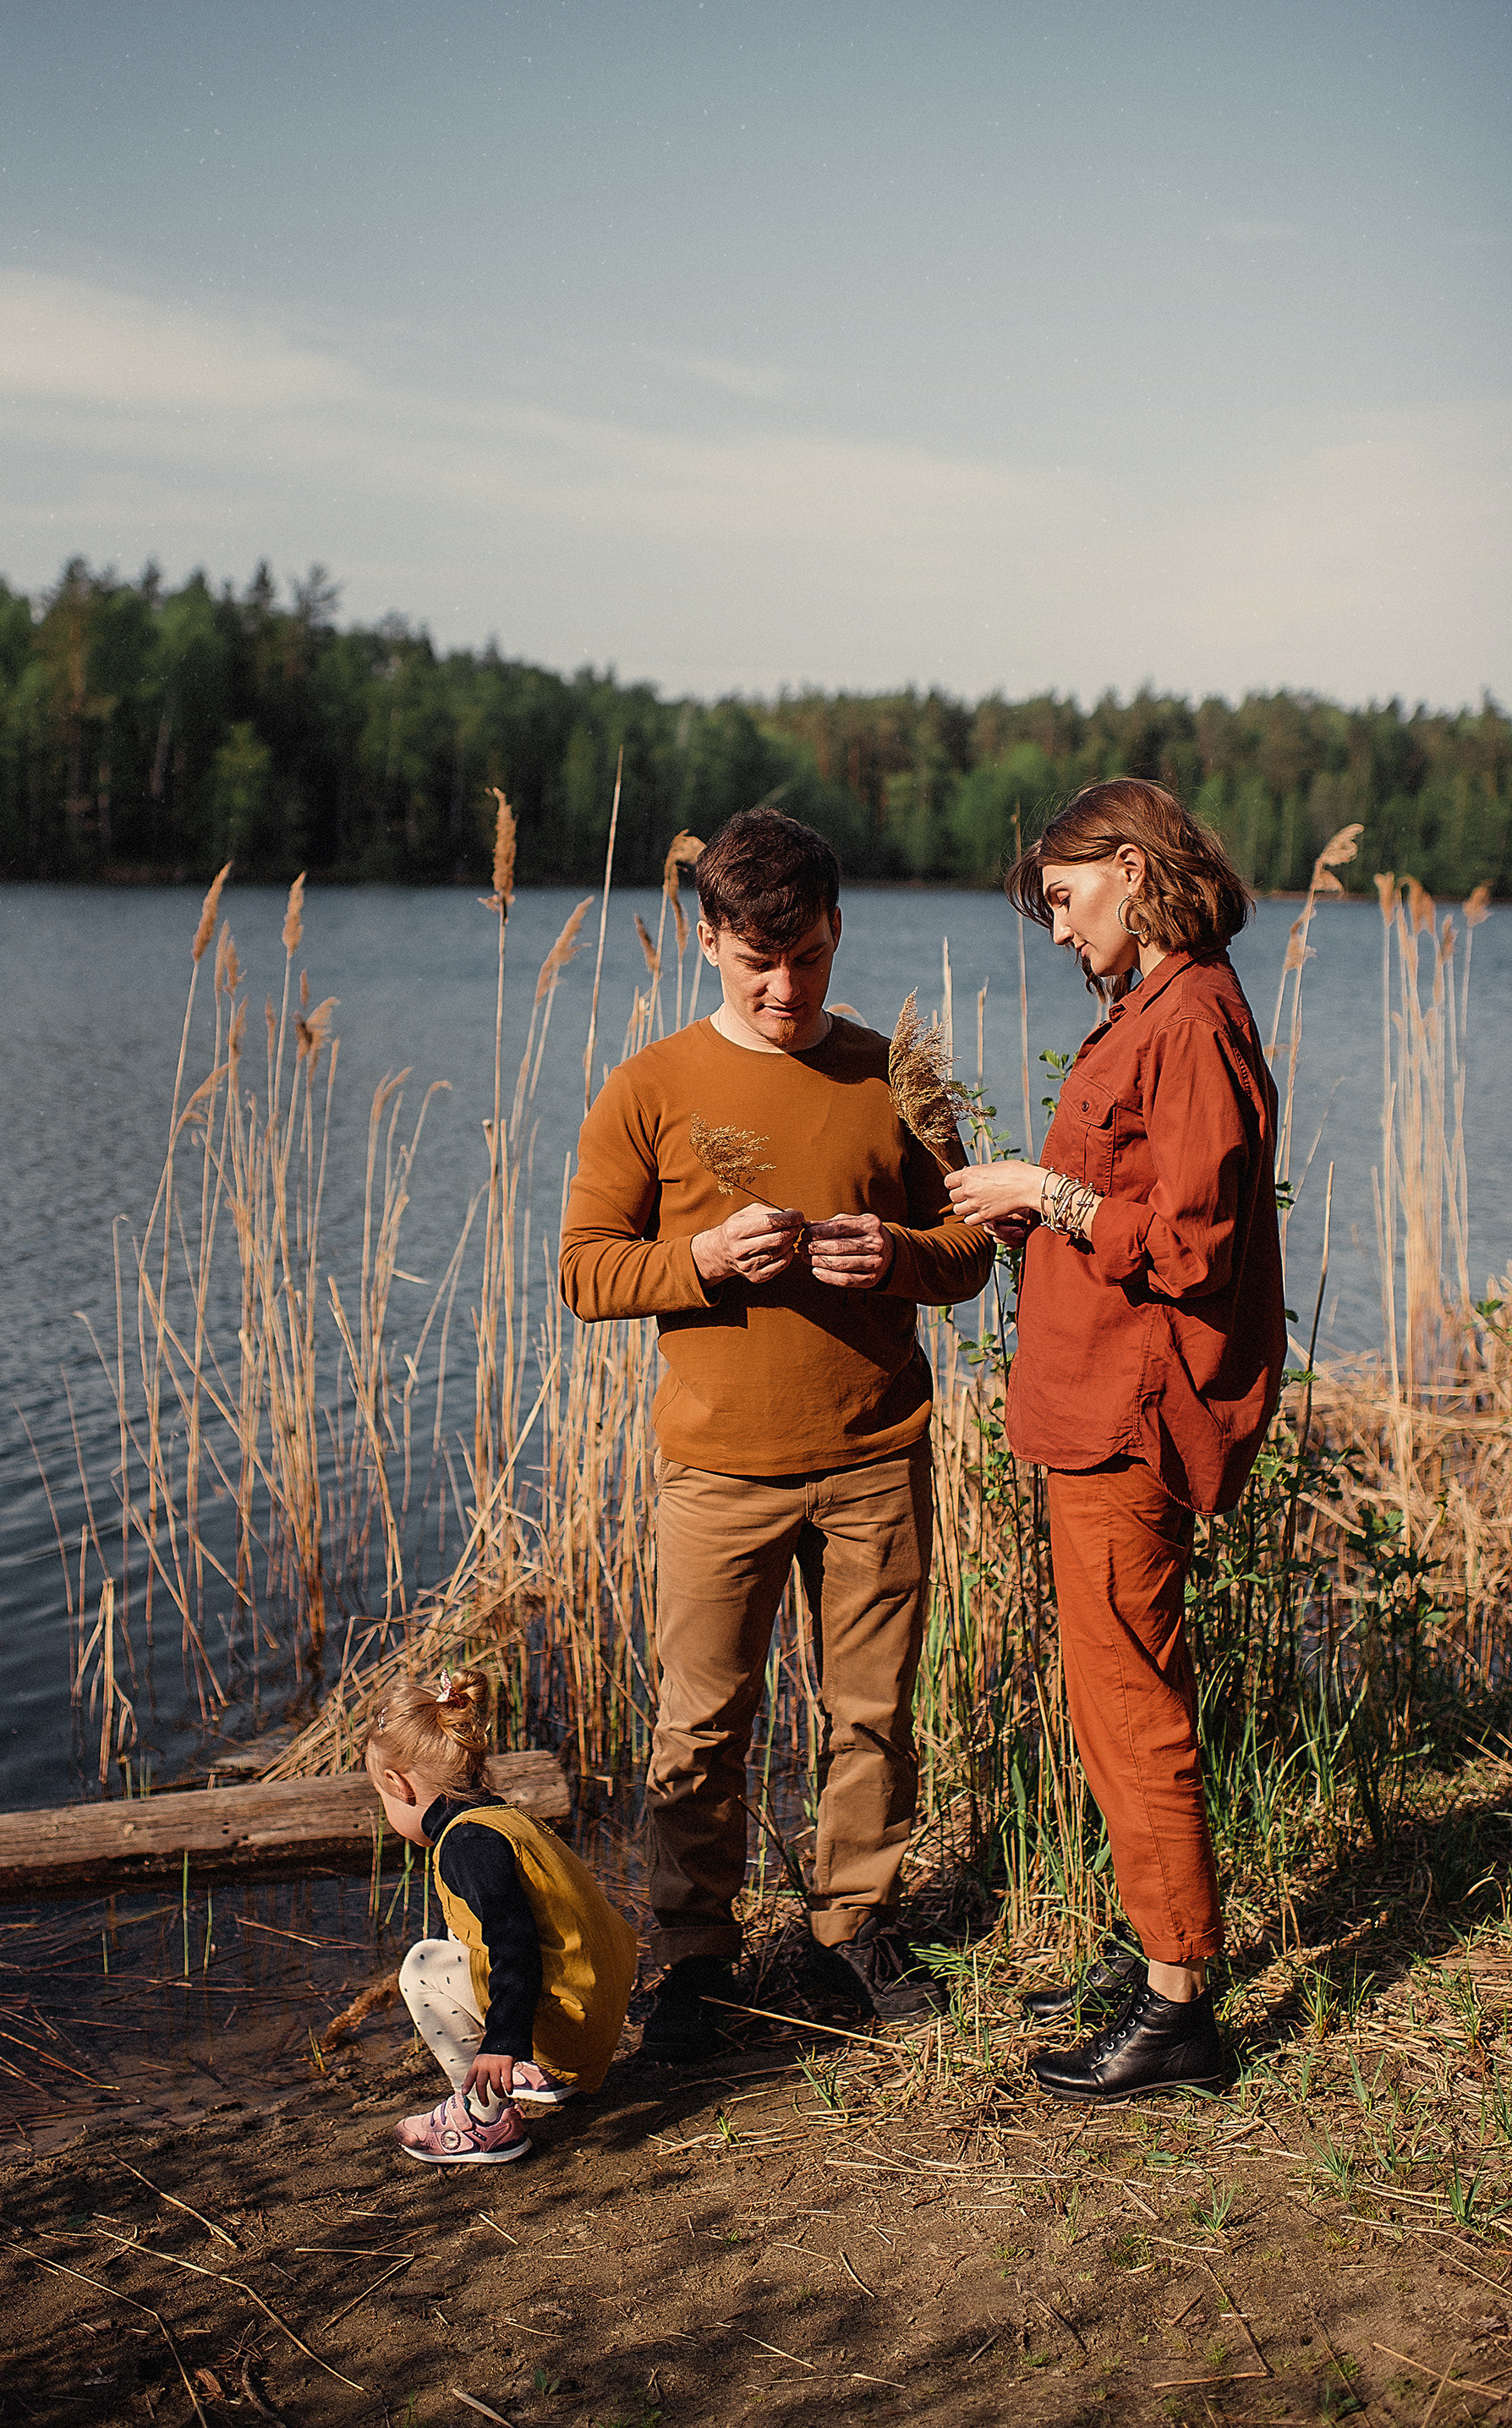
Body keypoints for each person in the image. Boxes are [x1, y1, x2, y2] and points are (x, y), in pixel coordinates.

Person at [560, 807, 994, 2062]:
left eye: (806, 956)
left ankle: (852, 1930)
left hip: (876, 1456)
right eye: (759, 961)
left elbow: (970, 1249)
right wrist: (697, 1258)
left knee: (873, 1712)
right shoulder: (649, 1087)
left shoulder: (894, 1075)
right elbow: (584, 1270)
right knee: (700, 1727)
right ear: (708, 941)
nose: (787, 987)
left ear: (837, 930)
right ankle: (696, 1956)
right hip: (719, 1472)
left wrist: (898, 1254)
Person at [945, 778, 1285, 2102]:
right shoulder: (1153, 1006)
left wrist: (1048, 1192)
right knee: (1114, 1694)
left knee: (1132, 1704)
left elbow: (1196, 1246)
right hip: (1092, 1400)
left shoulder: (1189, 1015)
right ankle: (1157, 1950)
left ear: (1133, 870)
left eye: (1066, 895)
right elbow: (1140, 1202)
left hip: (1126, 1415)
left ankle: (1178, 2007)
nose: (1057, 927)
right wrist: (1047, 1209)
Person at [364, 1667, 638, 2164]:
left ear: (398, 1785)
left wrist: (502, 2041)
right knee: (458, 1943)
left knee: (422, 1965)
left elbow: (516, 1946)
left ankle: (483, 2119)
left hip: (570, 2025)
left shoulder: (466, 1844)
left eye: (381, 1798)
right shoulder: (505, 1820)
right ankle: (541, 2072)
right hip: (596, 2009)